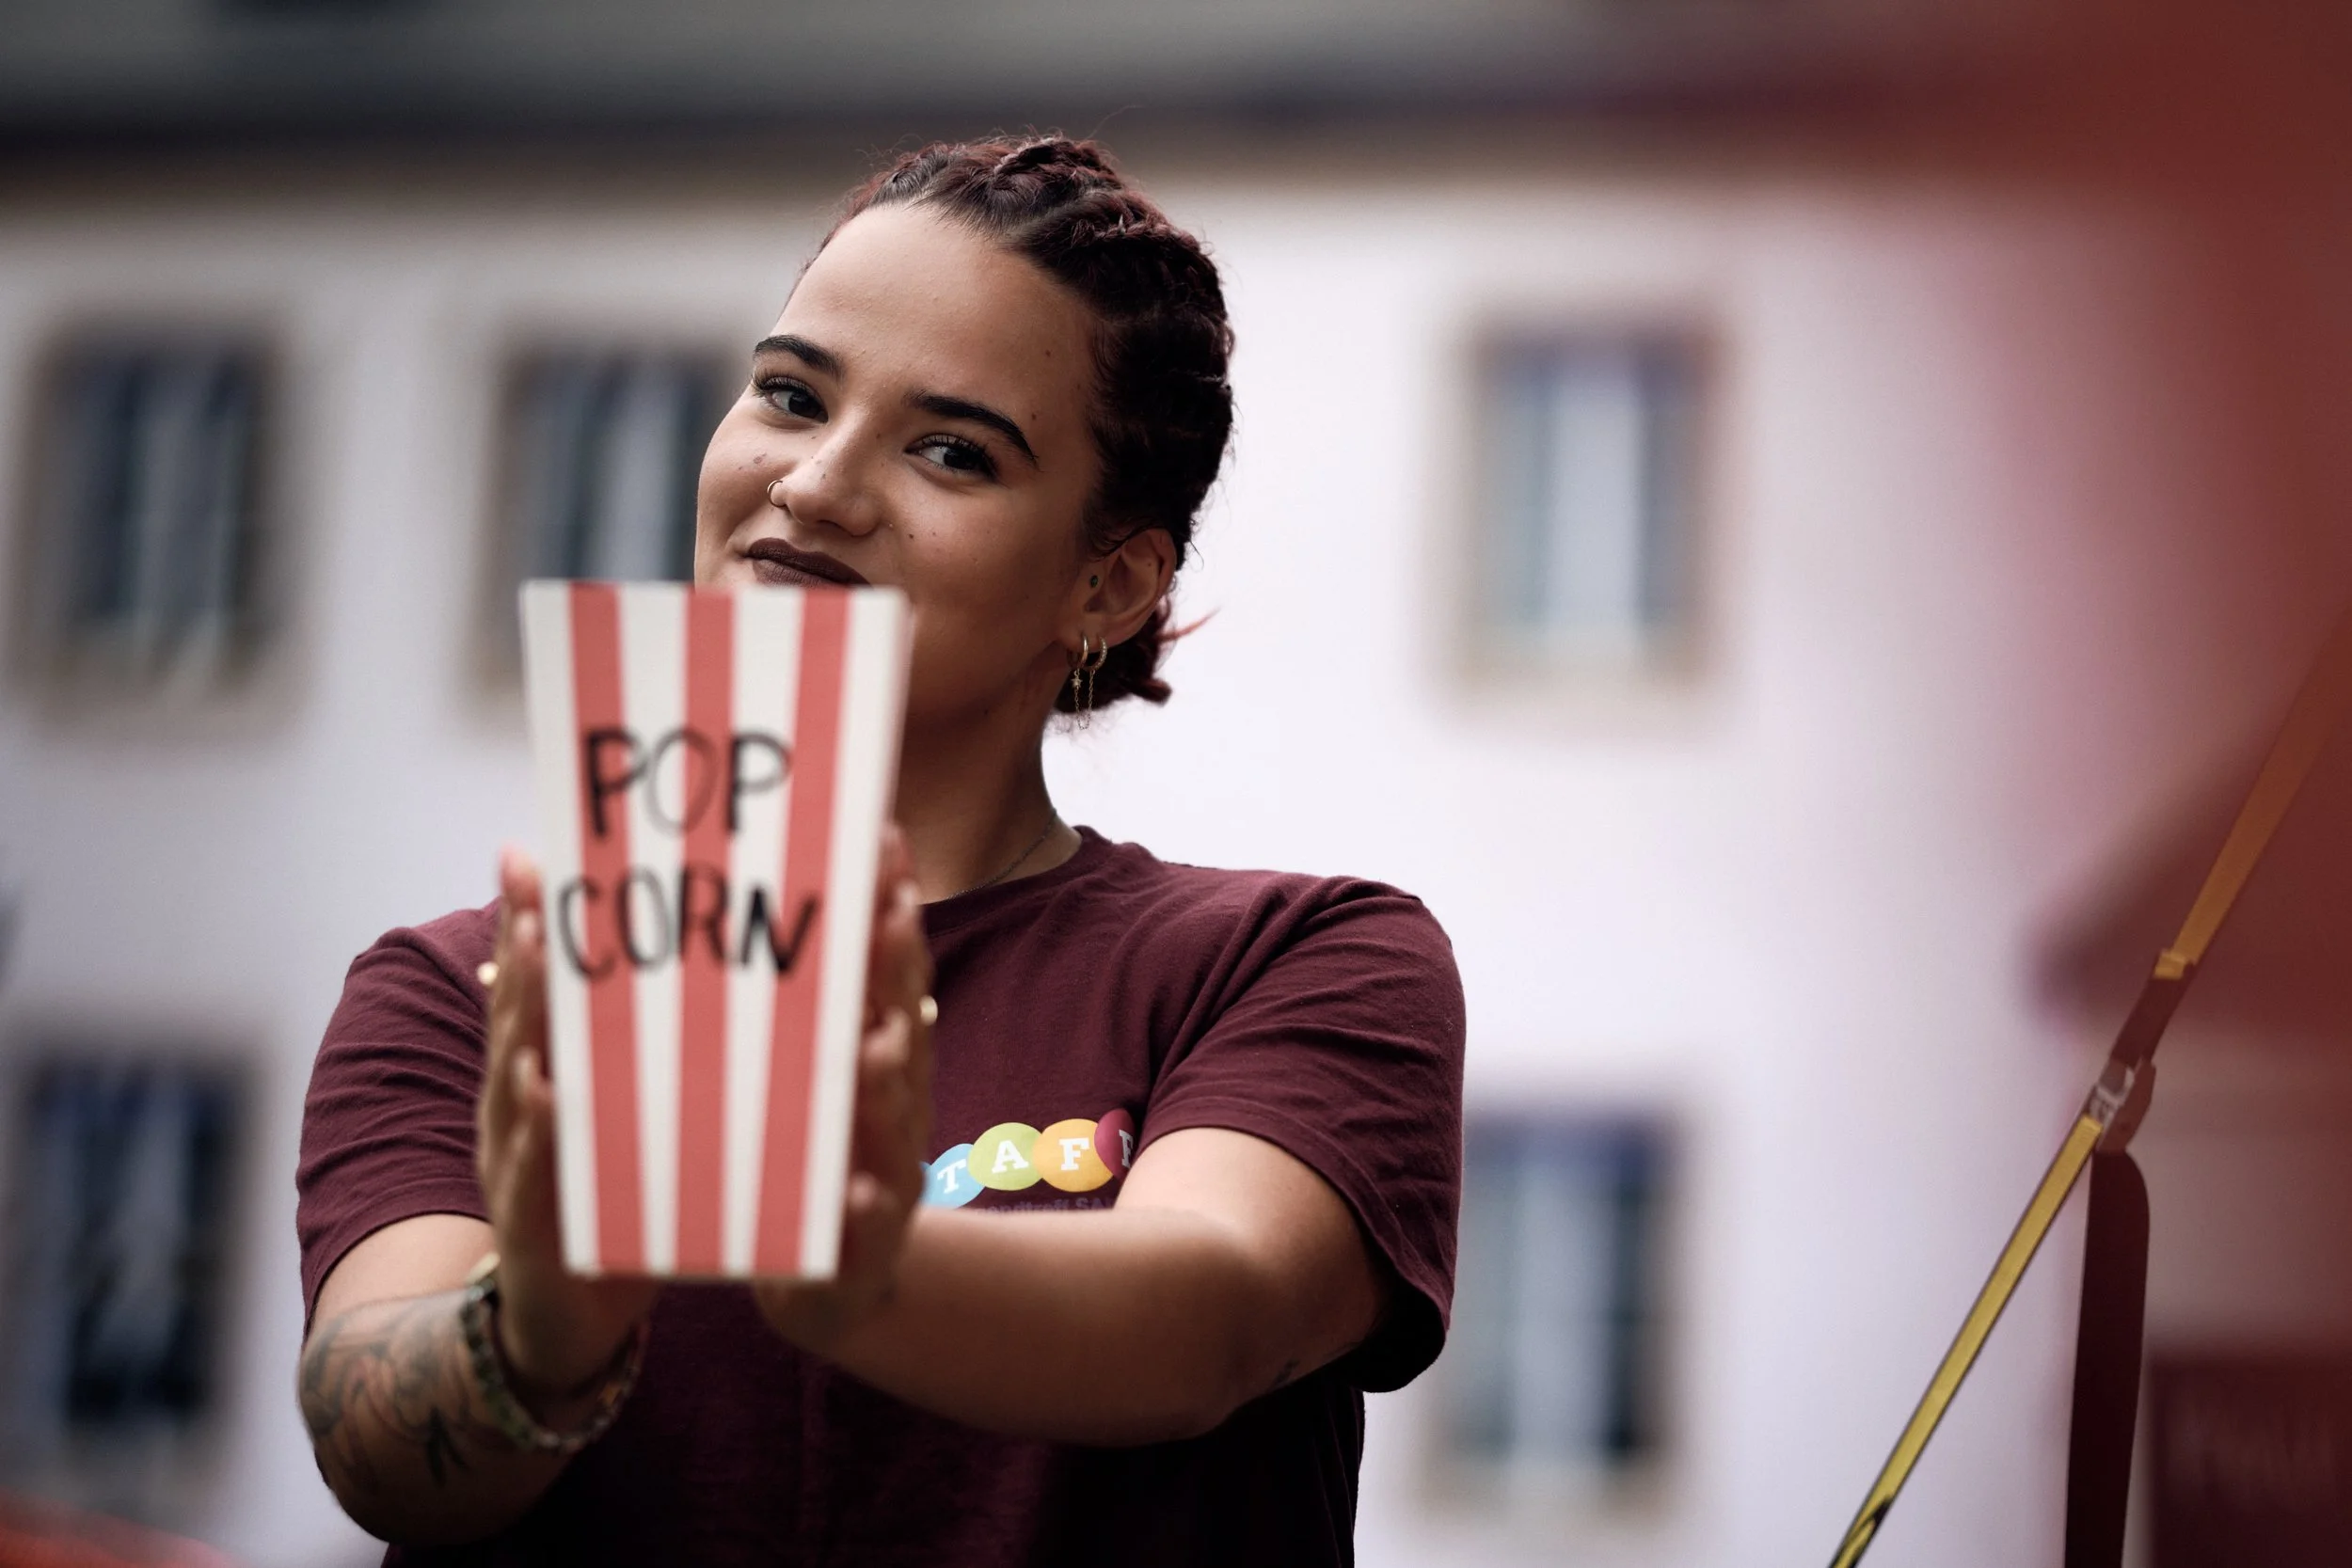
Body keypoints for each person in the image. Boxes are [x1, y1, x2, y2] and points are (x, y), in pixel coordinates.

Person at [295, 135, 1465, 1566]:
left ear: (1111, 581)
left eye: (951, 451)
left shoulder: (1296, 960)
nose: (818, 483)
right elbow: (371, 1442)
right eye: (790, 395)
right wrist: (537, 1326)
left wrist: (851, 1262)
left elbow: (1211, 1316)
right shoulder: (464, 990)